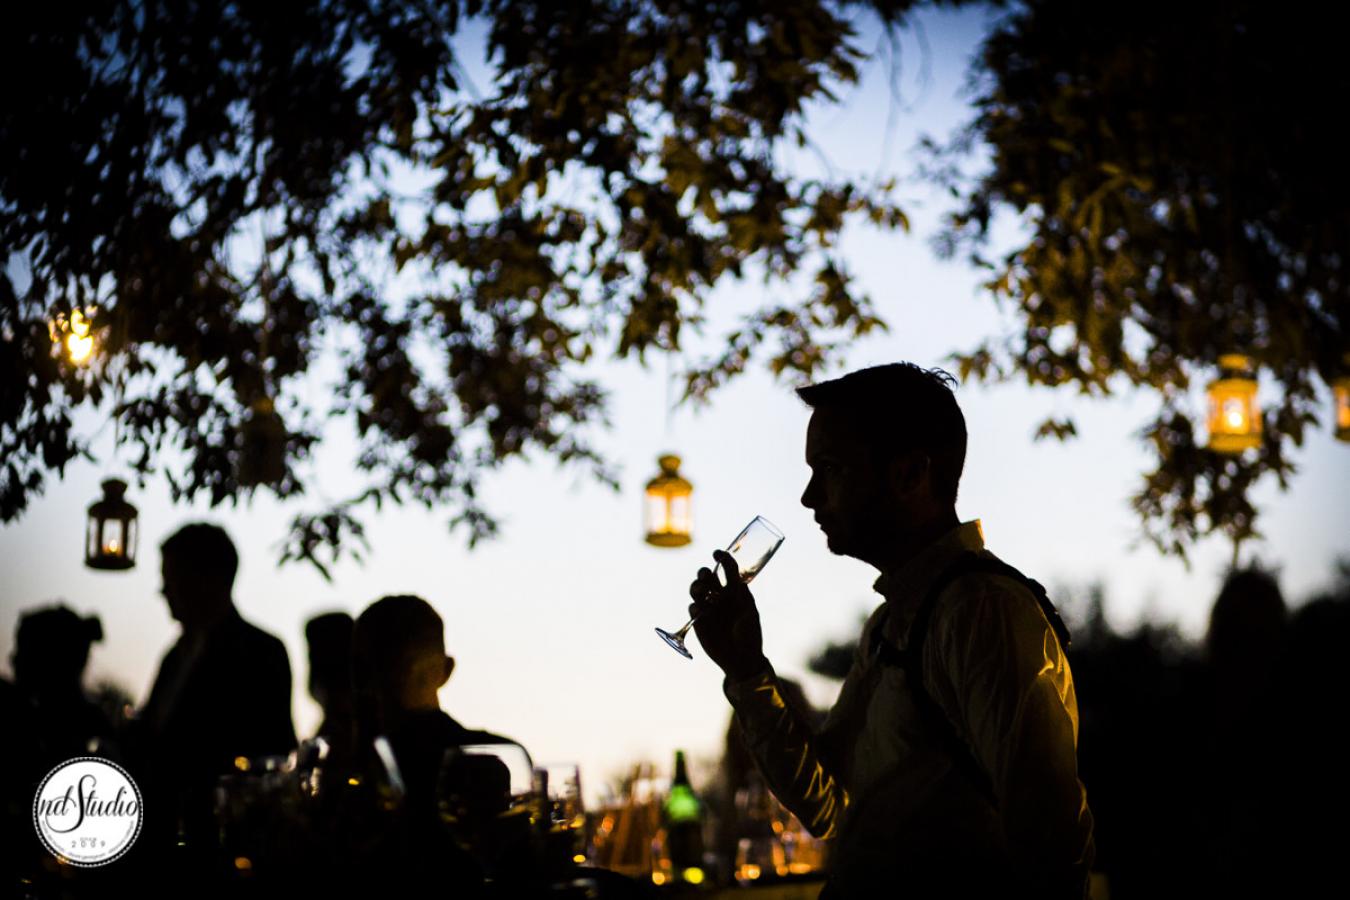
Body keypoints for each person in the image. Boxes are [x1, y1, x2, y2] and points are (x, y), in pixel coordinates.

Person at [689, 363, 1095, 897]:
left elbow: (1051, 849)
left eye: (830, 469)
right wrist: (745, 671)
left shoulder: (983, 612)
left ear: (909, 475)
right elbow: (830, 804)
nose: (810, 497)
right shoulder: (892, 622)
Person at [132, 522, 297, 858]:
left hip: (221, 845)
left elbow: (275, 745)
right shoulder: (173, 656)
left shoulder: (261, 651)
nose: (162, 590)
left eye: (171, 577)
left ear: (209, 578)